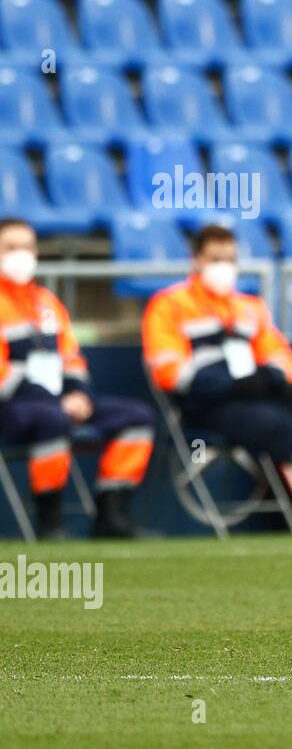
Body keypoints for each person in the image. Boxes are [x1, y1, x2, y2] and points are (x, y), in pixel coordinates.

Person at [142, 224, 292, 530]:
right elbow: (169, 370)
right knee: (274, 424)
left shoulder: (249, 307)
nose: (224, 267)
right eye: (215, 259)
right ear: (195, 260)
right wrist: (228, 382)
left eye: (230, 259)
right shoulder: (169, 305)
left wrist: (272, 375)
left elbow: (278, 354)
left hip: (256, 395)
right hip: (205, 404)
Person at [0, 218, 154, 540]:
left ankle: (111, 514)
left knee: (136, 417)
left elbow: (71, 358)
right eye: (10, 247)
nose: (21, 255)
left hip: (59, 400)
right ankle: (49, 521)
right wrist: (56, 400)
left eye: (27, 247)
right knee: (51, 419)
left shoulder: (46, 303)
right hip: (12, 406)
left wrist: (79, 393)